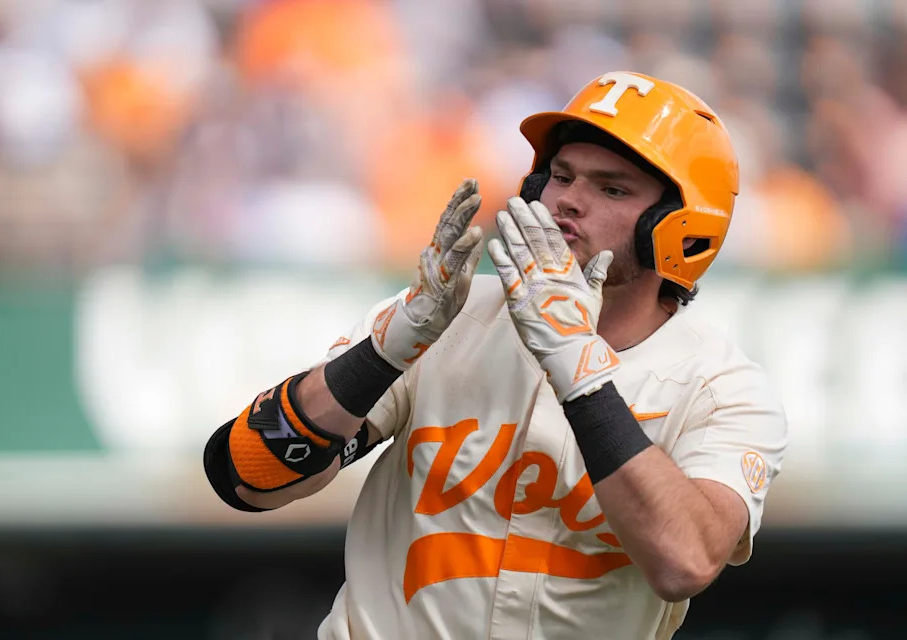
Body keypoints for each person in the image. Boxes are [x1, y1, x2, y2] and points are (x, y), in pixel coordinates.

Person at [204, 71, 788, 639]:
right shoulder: (447, 314)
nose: (568, 201)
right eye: (561, 176)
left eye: (611, 188)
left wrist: (577, 365)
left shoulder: (724, 386)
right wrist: (382, 354)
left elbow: (684, 562)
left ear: (681, 229)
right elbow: (247, 478)